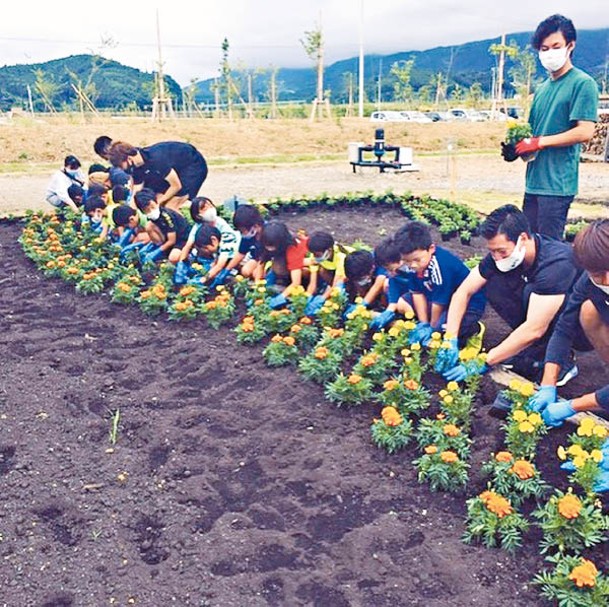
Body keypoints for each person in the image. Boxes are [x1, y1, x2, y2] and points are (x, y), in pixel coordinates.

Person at [440, 204, 580, 383]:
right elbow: (464, 292)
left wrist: (485, 360)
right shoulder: (502, 256)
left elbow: (535, 329)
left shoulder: (555, 262)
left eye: (501, 251)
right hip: (542, 314)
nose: (497, 257)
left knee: (532, 293)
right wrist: (450, 337)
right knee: (493, 282)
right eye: (492, 251)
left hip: (580, 324)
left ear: (522, 238)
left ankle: (562, 358)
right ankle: (536, 349)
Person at [501, 14, 598, 240]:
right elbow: (533, 135)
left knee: (549, 251)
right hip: (534, 181)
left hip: (557, 185)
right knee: (528, 246)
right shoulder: (542, 89)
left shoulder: (582, 84)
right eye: (544, 48)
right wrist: (517, 149)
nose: (549, 53)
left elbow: (585, 131)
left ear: (570, 45)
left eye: (556, 46)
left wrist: (539, 142)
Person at [530, 221, 609, 428]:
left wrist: (572, 406)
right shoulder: (590, 281)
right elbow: (564, 328)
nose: (606, 280)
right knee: (588, 310)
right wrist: (548, 384)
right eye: (598, 274)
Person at [393, 221, 486, 348]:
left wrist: (432, 329)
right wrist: (423, 323)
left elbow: (439, 303)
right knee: (402, 304)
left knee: (443, 330)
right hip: (437, 297)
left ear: (431, 249)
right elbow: (417, 293)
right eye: (407, 261)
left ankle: (474, 330)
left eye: (416, 260)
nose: (412, 265)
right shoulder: (414, 265)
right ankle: (433, 324)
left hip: (468, 304)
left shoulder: (440, 266)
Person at [108, 140, 208, 211]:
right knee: (155, 198)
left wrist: (159, 202)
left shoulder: (157, 159)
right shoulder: (137, 166)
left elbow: (176, 186)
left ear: (129, 158)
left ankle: (184, 235)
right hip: (174, 169)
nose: (123, 170)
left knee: (170, 207)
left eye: (121, 166)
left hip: (192, 165)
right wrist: (131, 210)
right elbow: (137, 190)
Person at [176, 196, 239, 285]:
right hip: (216, 252)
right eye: (204, 208)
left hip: (230, 254)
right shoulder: (199, 225)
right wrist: (181, 264)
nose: (209, 209)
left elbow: (220, 264)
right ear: (198, 215)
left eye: (210, 205)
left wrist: (203, 280)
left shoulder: (224, 230)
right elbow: (188, 245)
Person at [257, 222, 309, 308]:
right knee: (277, 267)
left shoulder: (293, 248)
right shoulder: (265, 241)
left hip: (306, 264)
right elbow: (261, 262)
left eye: (272, 246)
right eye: (267, 245)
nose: (269, 248)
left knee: (281, 268)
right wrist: (258, 286)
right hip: (287, 261)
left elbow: (296, 282)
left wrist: (281, 297)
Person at [134, 188, 190, 264]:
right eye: (147, 210)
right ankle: (163, 250)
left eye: (152, 207)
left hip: (182, 239)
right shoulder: (151, 217)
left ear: (156, 202)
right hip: (167, 236)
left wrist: (157, 251)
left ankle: (182, 255)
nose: (151, 211)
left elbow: (172, 241)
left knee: (173, 258)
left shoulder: (167, 216)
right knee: (149, 226)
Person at [368, 238, 414, 330]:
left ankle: (417, 323)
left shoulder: (415, 268)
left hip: (425, 299)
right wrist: (388, 312)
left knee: (402, 304)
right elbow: (393, 297)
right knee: (387, 285)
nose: (388, 272)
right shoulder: (395, 274)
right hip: (408, 295)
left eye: (389, 268)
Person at [305, 231, 353, 315]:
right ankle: (327, 288)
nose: (315, 256)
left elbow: (336, 284)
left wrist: (322, 298)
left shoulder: (341, 257)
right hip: (332, 271)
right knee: (322, 270)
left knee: (340, 289)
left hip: (350, 273)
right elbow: (312, 283)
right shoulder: (316, 256)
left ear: (329, 250)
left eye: (317, 254)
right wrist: (306, 298)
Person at [343, 249, 388, 317]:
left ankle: (383, 308)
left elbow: (378, 284)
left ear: (372, 268)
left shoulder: (381, 260)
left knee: (385, 285)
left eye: (361, 278)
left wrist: (362, 305)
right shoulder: (356, 264)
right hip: (369, 277)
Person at [226, 205, 266, 278]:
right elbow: (241, 253)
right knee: (245, 271)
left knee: (256, 274)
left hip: (271, 259)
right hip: (258, 258)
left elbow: (265, 257)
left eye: (242, 231)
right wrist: (227, 270)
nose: (242, 234)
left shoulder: (269, 233)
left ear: (255, 226)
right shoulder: (249, 236)